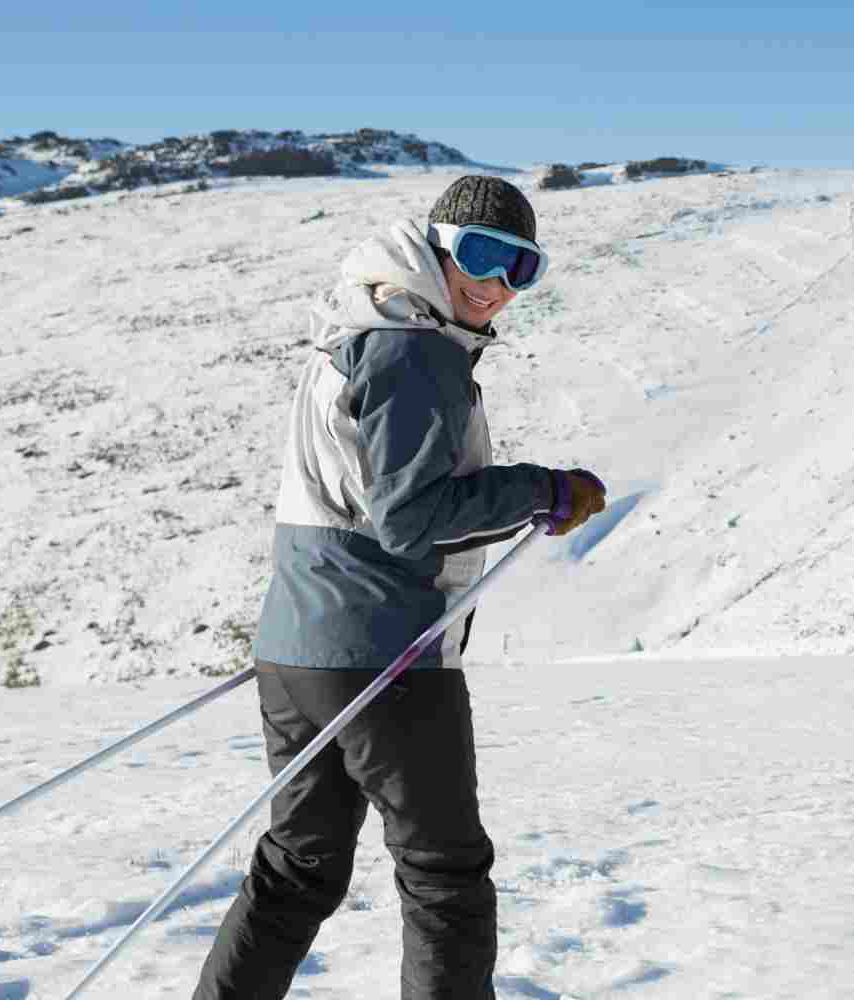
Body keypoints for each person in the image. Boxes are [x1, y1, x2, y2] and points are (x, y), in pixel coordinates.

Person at [194, 175, 606, 1000]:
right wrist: (545, 491)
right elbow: (411, 518)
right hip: (387, 655)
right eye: (483, 256)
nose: (498, 285)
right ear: (436, 246)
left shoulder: (358, 327)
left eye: (523, 268)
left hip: (297, 649)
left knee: (299, 868)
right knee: (444, 876)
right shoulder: (413, 347)